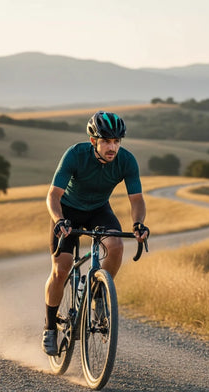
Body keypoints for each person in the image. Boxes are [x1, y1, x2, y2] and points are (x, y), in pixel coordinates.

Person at [42, 110, 149, 356]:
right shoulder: (75, 155)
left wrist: (138, 224)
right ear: (94, 141)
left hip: (99, 210)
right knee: (61, 269)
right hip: (67, 211)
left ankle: (98, 293)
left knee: (116, 246)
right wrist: (59, 220)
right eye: (107, 142)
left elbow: (137, 199)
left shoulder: (126, 161)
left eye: (116, 141)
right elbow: (53, 196)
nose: (113, 147)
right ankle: (50, 327)